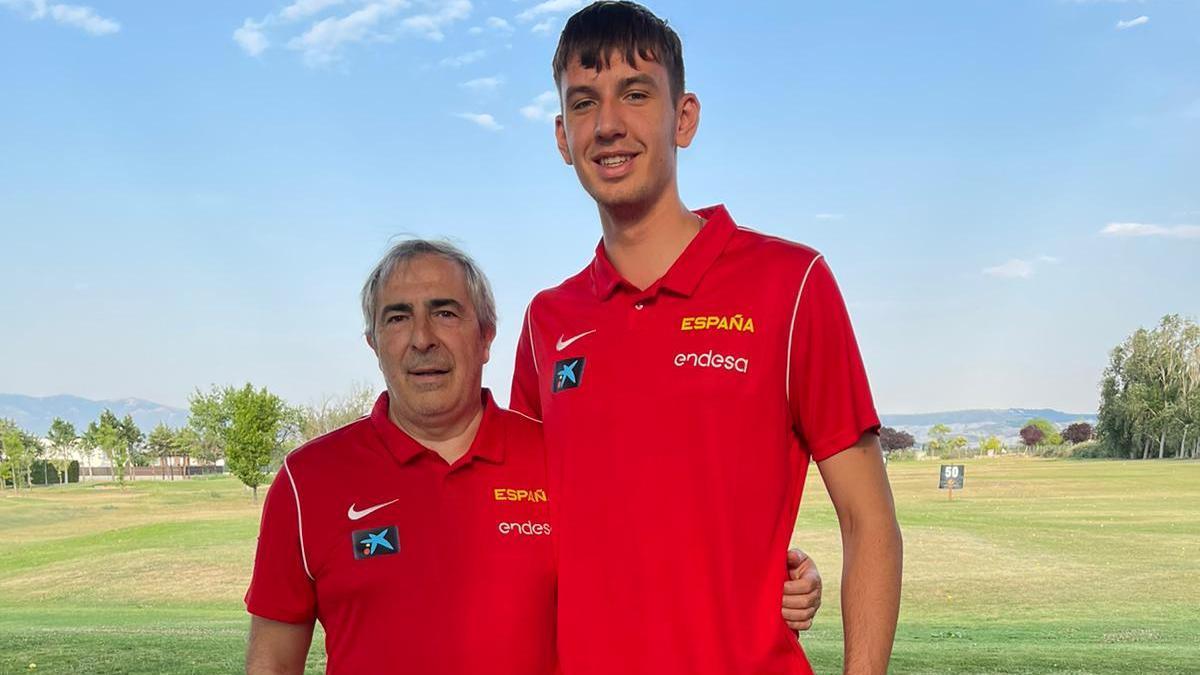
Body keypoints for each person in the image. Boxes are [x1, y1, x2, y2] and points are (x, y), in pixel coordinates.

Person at [510, 3, 903, 675]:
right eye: (584, 103)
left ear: (683, 117)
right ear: (561, 135)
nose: (608, 125)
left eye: (636, 94)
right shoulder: (547, 322)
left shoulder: (791, 283)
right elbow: (523, 538)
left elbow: (871, 524)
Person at [244, 240, 824, 674]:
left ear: (487, 336)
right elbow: (272, 658)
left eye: (446, 312)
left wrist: (777, 577)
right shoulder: (308, 481)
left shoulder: (557, 457)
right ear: (374, 343)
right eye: (398, 317)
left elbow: (665, 554)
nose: (422, 338)